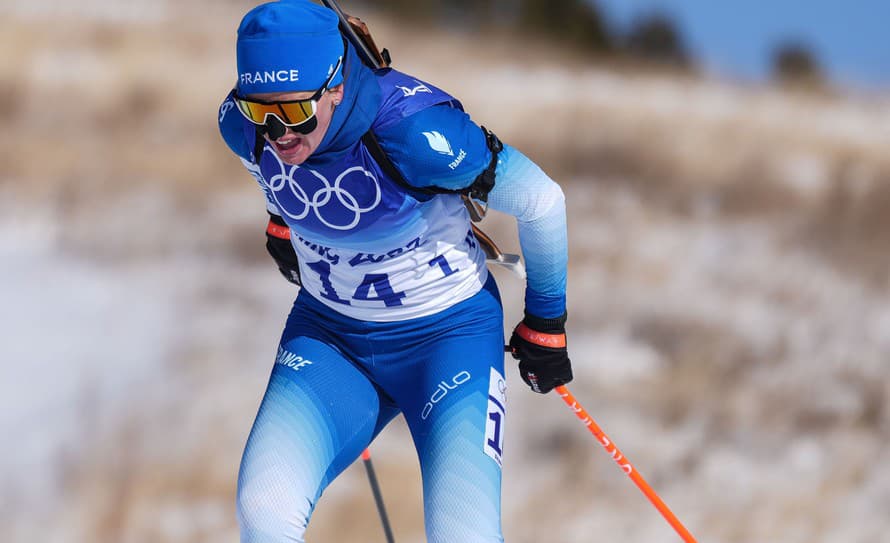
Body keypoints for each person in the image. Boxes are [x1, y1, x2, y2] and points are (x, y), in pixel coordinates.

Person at [217, 1, 572, 541]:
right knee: (264, 510)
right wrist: (284, 224)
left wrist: (545, 324)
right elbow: (272, 174)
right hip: (330, 340)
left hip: (446, 341)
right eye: (259, 110)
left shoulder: (417, 135)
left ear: (336, 83)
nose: (279, 134)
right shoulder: (242, 127)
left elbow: (542, 201)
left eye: (293, 112)